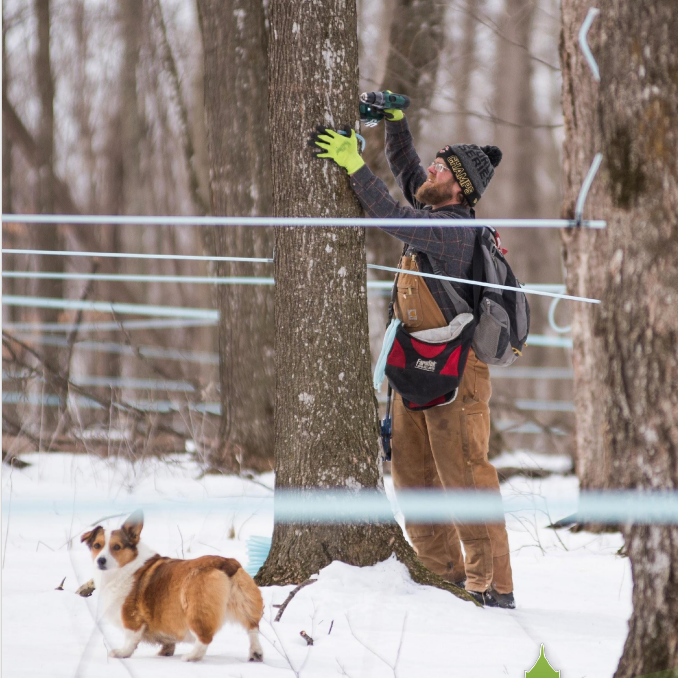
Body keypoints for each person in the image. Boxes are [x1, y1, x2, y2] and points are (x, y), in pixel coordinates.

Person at [311, 106, 515, 609]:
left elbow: (393, 216)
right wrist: (395, 123)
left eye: (441, 171)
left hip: (459, 374)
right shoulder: (435, 211)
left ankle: (491, 585)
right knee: (414, 478)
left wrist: (354, 167)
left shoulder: (451, 232)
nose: (431, 173)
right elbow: (407, 175)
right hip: (416, 369)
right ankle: (439, 575)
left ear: (459, 190)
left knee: (465, 476)